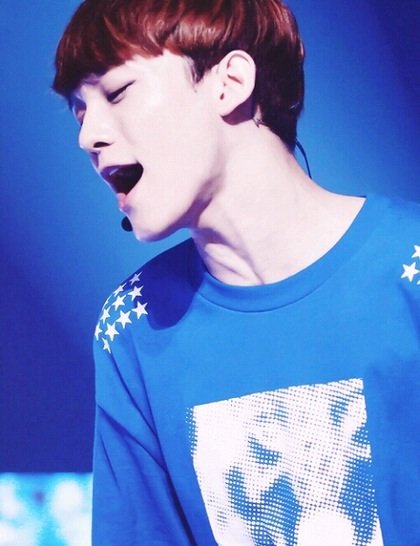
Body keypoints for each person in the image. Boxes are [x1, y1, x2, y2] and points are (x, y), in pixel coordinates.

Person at [53, 1, 420, 544]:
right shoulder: (132, 327)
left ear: (230, 83)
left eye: (118, 92)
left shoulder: (407, 268)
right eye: (80, 111)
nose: (88, 137)